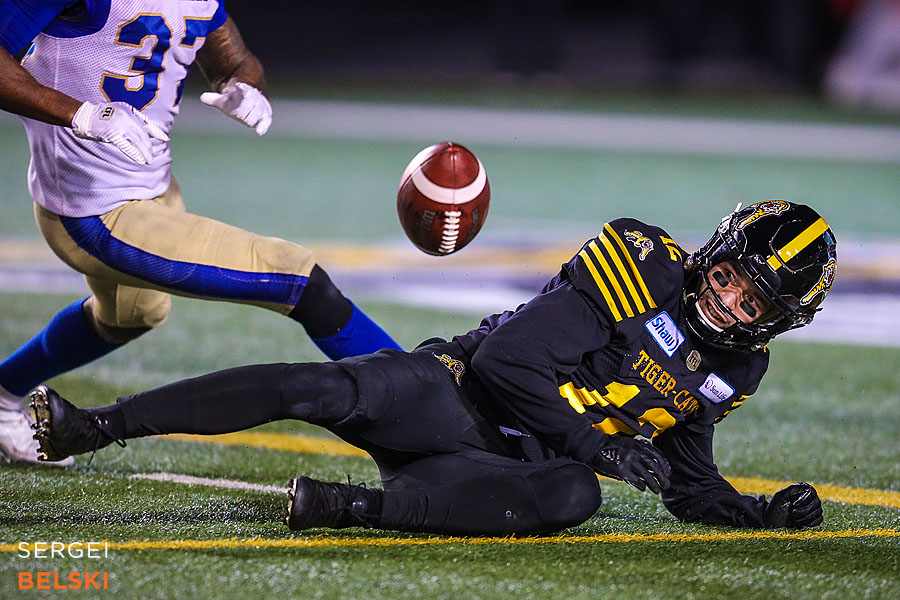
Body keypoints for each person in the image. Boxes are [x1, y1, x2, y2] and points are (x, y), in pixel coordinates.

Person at [31, 201, 834, 536]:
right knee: (315, 386)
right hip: (451, 393)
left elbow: (686, 479)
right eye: (727, 275)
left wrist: (756, 513)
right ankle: (93, 427)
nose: (727, 299)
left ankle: (349, 508)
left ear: (778, 321)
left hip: (501, 470)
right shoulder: (643, 263)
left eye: (752, 300)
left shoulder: (737, 372)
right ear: (712, 253)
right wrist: (600, 445)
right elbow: (509, 362)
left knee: (575, 497)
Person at [0, 1, 401, 465]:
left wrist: (243, 87)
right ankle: (428, 399)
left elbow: (235, 62)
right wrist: (82, 114)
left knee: (132, 315)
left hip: (154, 192)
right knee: (299, 280)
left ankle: (3, 392)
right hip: (94, 210)